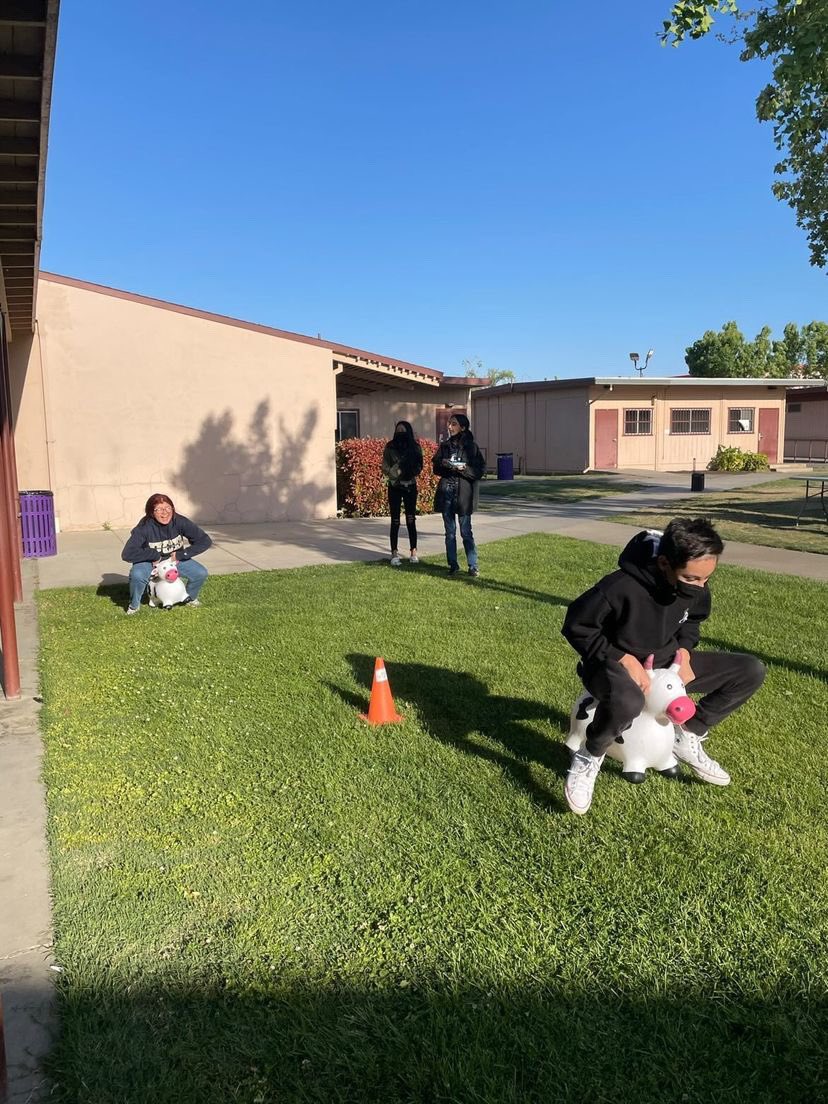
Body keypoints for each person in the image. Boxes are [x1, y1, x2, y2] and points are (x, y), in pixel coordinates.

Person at [560, 517, 765, 815]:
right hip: (610, 664)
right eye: (691, 579)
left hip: (667, 664)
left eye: (706, 578)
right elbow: (577, 625)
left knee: (750, 670)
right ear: (665, 563)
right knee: (628, 700)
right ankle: (589, 755)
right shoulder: (620, 586)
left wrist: (685, 651)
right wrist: (622, 657)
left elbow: (692, 621)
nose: (700, 586)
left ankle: (688, 734)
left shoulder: (696, 583)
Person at [121, 493, 212, 615]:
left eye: (168, 508)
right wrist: (153, 555)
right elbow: (127, 553)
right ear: (151, 512)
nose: (165, 512)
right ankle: (134, 606)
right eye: (158, 509)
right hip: (150, 561)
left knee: (200, 573)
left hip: (173, 560)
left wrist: (182, 554)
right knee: (137, 575)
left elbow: (205, 540)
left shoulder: (180, 521)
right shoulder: (144, 527)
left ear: (172, 509)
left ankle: (189, 598)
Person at [432, 413, 486, 577]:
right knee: (450, 533)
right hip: (447, 492)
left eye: (454, 424)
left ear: (463, 427)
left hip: (463, 494)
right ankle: (453, 565)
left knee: (465, 531)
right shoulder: (445, 446)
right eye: (449, 424)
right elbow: (436, 468)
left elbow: (479, 471)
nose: (450, 427)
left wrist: (464, 469)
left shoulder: (472, 447)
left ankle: (473, 565)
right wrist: (444, 464)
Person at [381, 421, 424, 566]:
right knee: (395, 520)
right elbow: (384, 466)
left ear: (408, 431)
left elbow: (419, 465)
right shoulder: (390, 447)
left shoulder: (415, 447)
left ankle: (413, 552)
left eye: (403, 430)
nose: (400, 433)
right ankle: (394, 553)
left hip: (410, 485)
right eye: (397, 430)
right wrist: (395, 472)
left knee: (411, 519)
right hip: (395, 486)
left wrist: (408, 471)